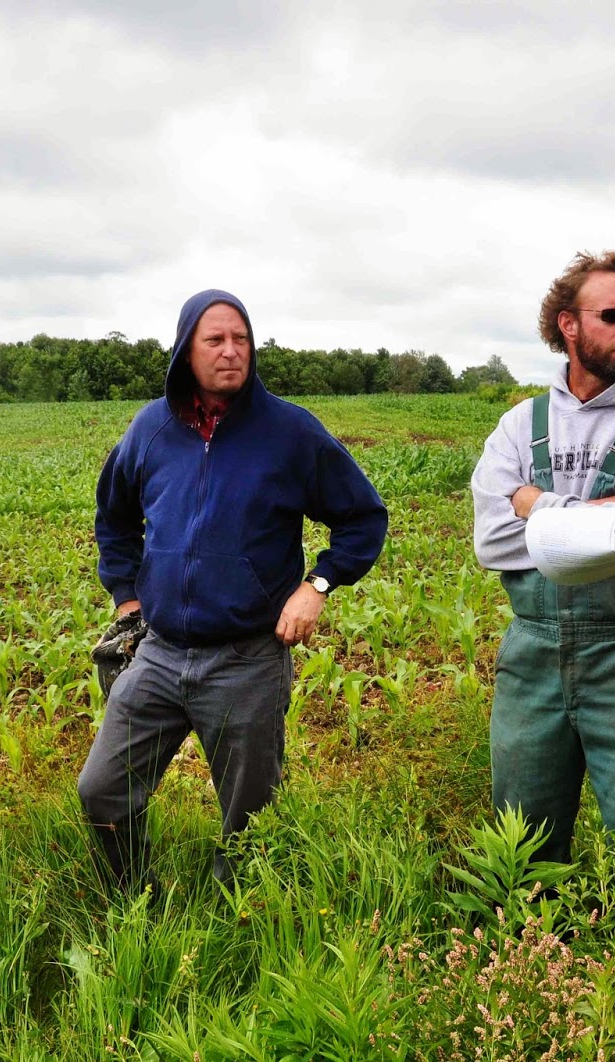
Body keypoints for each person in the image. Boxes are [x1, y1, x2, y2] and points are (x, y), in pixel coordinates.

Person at [79, 289, 387, 887]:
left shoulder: (289, 432)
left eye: (240, 339)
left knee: (250, 820)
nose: (230, 351)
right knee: (103, 790)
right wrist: (127, 597)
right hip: (159, 653)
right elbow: (114, 518)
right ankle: (134, 902)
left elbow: (362, 517)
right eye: (214, 340)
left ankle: (237, 919)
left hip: (248, 659)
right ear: (185, 351)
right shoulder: (151, 429)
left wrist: (318, 585)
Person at [471, 251, 615, 962]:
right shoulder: (521, 424)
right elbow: (490, 540)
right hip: (531, 648)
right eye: (614, 315)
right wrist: (600, 516)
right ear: (569, 326)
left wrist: (535, 504)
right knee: (522, 832)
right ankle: (531, 981)